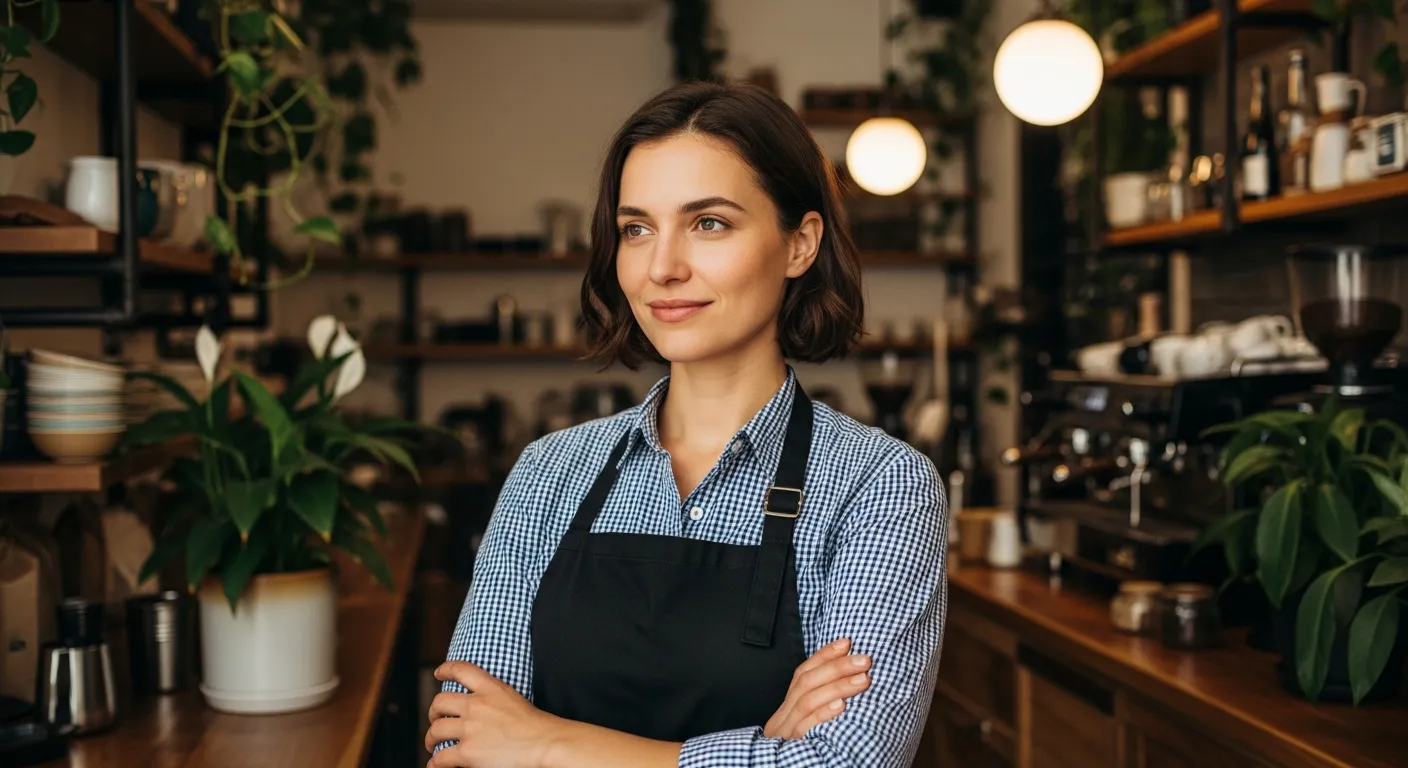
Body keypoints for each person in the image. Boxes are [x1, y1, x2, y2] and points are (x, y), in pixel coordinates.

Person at [426, 80, 948, 768]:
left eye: (709, 223)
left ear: (800, 245)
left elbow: (844, 762)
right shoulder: (550, 472)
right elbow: (464, 742)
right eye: (637, 229)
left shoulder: (880, 487)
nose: (662, 268)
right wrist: (764, 748)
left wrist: (546, 743)